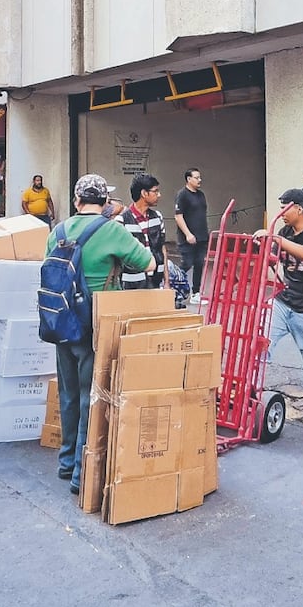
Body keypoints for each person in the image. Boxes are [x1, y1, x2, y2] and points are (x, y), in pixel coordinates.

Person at [48, 174, 155, 495]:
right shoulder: (112, 230)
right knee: (89, 397)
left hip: (59, 320)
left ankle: (66, 463)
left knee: (67, 395)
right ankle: (83, 473)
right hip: (96, 321)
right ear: (105, 202)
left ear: (77, 201)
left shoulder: (59, 230)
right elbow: (148, 264)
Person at [254, 189, 303, 427]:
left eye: (285, 208)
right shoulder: (285, 231)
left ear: (298, 208)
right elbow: (273, 259)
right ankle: (252, 394)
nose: (281, 214)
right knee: (261, 345)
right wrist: (263, 246)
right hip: (282, 300)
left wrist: (276, 239)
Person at [115, 173, 166, 290]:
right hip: (132, 282)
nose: (159, 195)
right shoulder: (121, 220)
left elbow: (162, 248)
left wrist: (166, 281)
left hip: (156, 280)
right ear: (144, 193)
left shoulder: (157, 217)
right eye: (155, 191)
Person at [175, 168, 209, 305]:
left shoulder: (201, 195)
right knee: (187, 263)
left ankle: (196, 292)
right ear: (189, 179)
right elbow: (178, 216)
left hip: (201, 236)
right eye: (196, 177)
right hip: (187, 238)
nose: (199, 180)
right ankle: (173, 286)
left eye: (200, 177)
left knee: (199, 264)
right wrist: (188, 234)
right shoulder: (182, 195)